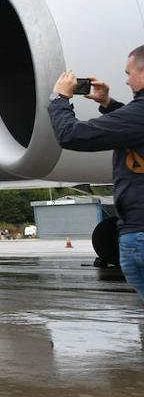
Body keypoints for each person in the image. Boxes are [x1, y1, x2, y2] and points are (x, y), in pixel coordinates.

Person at [49, 49, 144, 303]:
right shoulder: (136, 118)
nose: (126, 80)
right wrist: (108, 105)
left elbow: (71, 135)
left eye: (129, 73)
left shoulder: (139, 115)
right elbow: (132, 127)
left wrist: (59, 99)